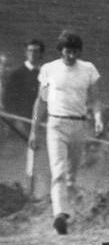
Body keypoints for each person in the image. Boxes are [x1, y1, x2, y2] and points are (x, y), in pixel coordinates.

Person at [29, 30, 103, 234]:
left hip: (79, 125)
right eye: (67, 52)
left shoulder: (88, 69)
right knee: (59, 171)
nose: (71, 56)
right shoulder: (49, 69)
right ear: (61, 51)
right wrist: (34, 131)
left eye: (75, 52)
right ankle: (60, 215)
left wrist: (98, 118)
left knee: (72, 174)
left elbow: (95, 98)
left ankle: (72, 212)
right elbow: (41, 101)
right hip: (56, 125)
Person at [2, 39, 44, 138]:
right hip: (20, 123)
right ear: (26, 53)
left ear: (41, 54)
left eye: (36, 51)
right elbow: (7, 100)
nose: (32, 54)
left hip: (39, 123)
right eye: (30, 51)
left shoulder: (45, 74)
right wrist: (16, 121)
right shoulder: (16, 74)